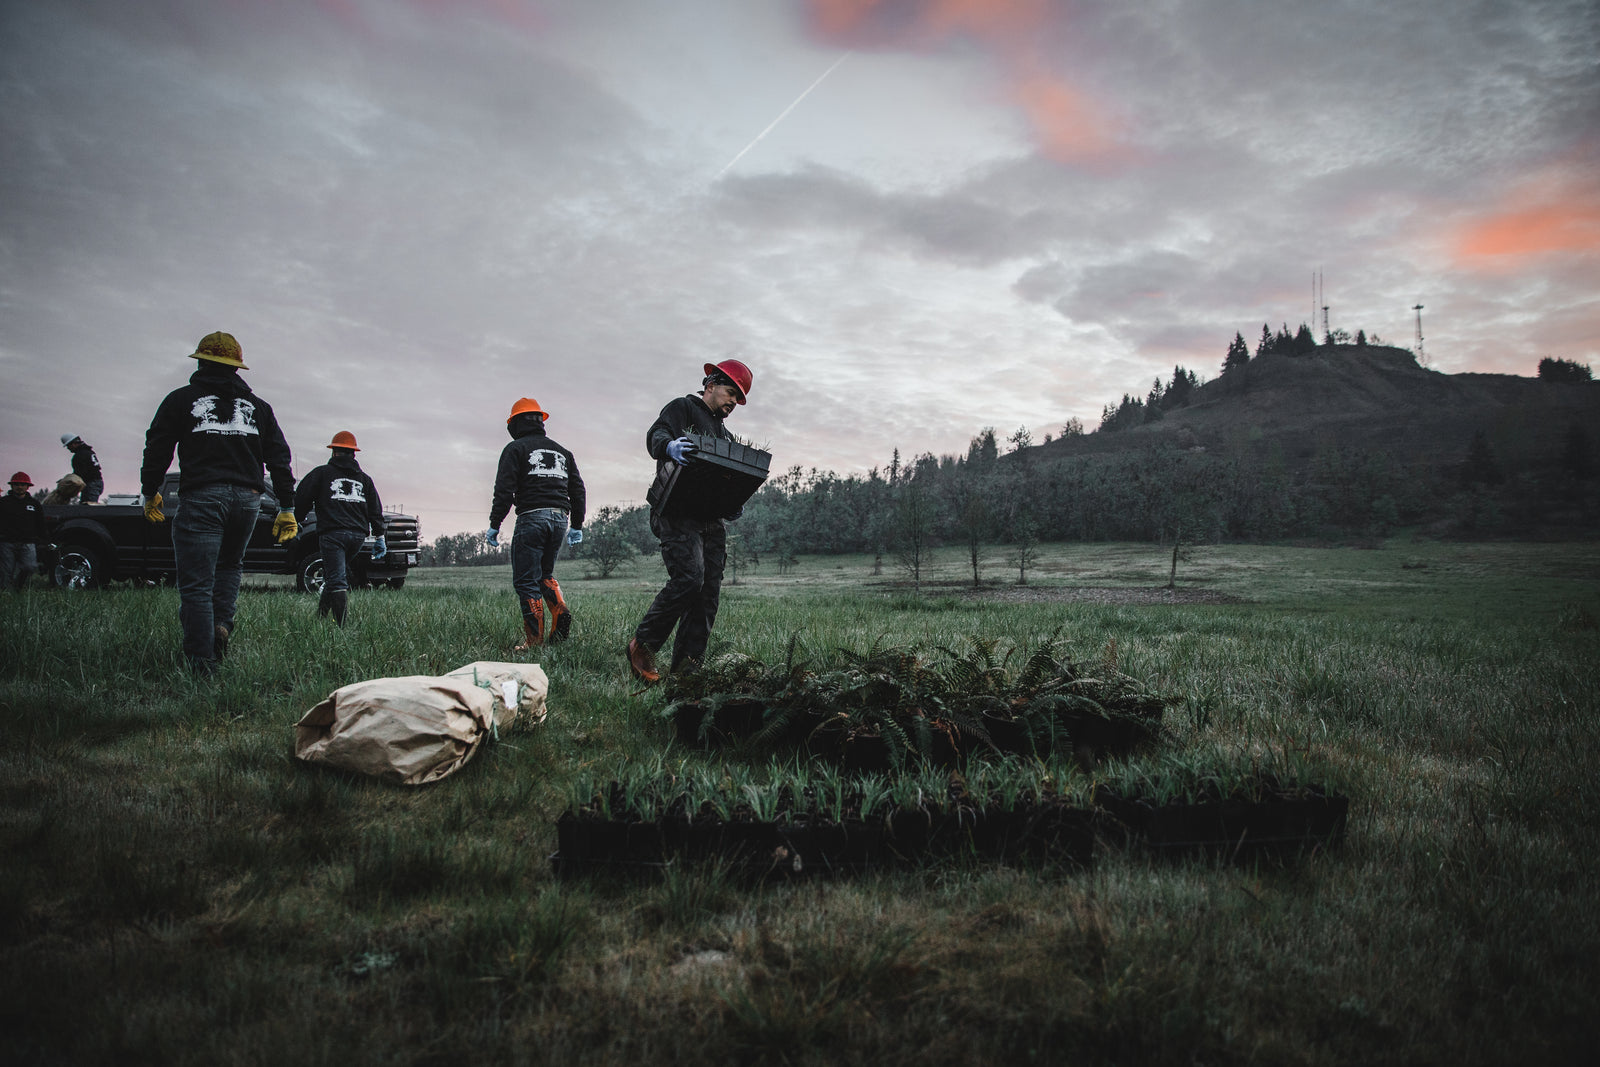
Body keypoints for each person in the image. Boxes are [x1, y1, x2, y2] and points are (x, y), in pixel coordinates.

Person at [140, 331, 297, 674]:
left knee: (197, 583)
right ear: (237, 367)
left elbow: (158, 448)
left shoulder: (180, 400)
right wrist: (286, 506)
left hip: (202, 497)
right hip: (249, 500)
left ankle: (202, 664)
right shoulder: (259, 408)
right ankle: (221, 626)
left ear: (200, 361)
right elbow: (279, 458)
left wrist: (150, 489)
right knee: (229, 567)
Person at [626, 358, 753, 683]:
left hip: (711, 520)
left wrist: (733, 500)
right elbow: (656, 433)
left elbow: (728, 478)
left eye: (738, 401)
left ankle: (687, 673)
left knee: (708, 594)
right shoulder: (682, 407)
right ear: (710, 384)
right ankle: (643, 645)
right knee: (690, 578)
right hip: (677, 511)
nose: (732, 403)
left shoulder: (725, 435)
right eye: (730, 393)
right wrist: (667, 446)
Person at [487, 397, 586, 651]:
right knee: (544, 575)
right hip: (559, 519)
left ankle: (533, 641)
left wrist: (495, 523)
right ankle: (559, 609)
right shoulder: (563, 452)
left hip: (532, 517)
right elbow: (577, 489)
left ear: (515, 423)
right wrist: (576, 524)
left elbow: (504, 490)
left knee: (525, 581)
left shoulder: (515, 449)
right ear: (540, 421)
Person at [294, 431, 386, 626]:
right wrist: (380, 536)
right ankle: (320, 617)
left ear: (334, 452)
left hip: (332, 534)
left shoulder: (321, 474)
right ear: (354, 454)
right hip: (357, 537)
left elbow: (302, 497)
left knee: (336, 578)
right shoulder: (365, 480)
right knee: (333, 573)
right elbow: (375, 509)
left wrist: (296, 519)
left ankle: (342, 628)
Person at [1, 472, 45, 591]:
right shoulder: (3, 502)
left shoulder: (34, 504)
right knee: (6, 571)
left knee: (30, 567)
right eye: (16, 484)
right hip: (7, 543)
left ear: (27, 486)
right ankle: (7, 594)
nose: (19, 487)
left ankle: (18, 586)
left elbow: (40, 523)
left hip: (28, 543)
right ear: (11, 486)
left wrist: (46, 539)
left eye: (22, 484)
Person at [60, 433, 103, 503]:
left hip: (91, 485)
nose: (68, 448)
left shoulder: (80, 455)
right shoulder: (89, 452)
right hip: (97, 483)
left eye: (68, 446)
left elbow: (79, 474)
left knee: (88, 508)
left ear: (73, 444)